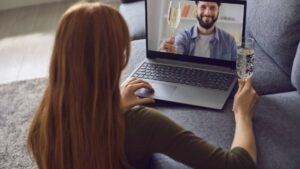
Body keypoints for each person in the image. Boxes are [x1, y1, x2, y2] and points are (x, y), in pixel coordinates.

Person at [27, 2, 258, 169]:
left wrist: (113, 106)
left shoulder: (42, 124)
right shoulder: (140, 124)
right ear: (118, 58)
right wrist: (242, 113)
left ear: (60, 55)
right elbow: (238, 164)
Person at [160, 1, 237, 61]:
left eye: (212, 8)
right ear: (196, 10)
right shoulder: (182, 37)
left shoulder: (230, 41)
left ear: (218, 11)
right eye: (203, 7)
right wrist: (166, 56)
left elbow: (235, 69)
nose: (207, 13)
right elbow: (176, 55)